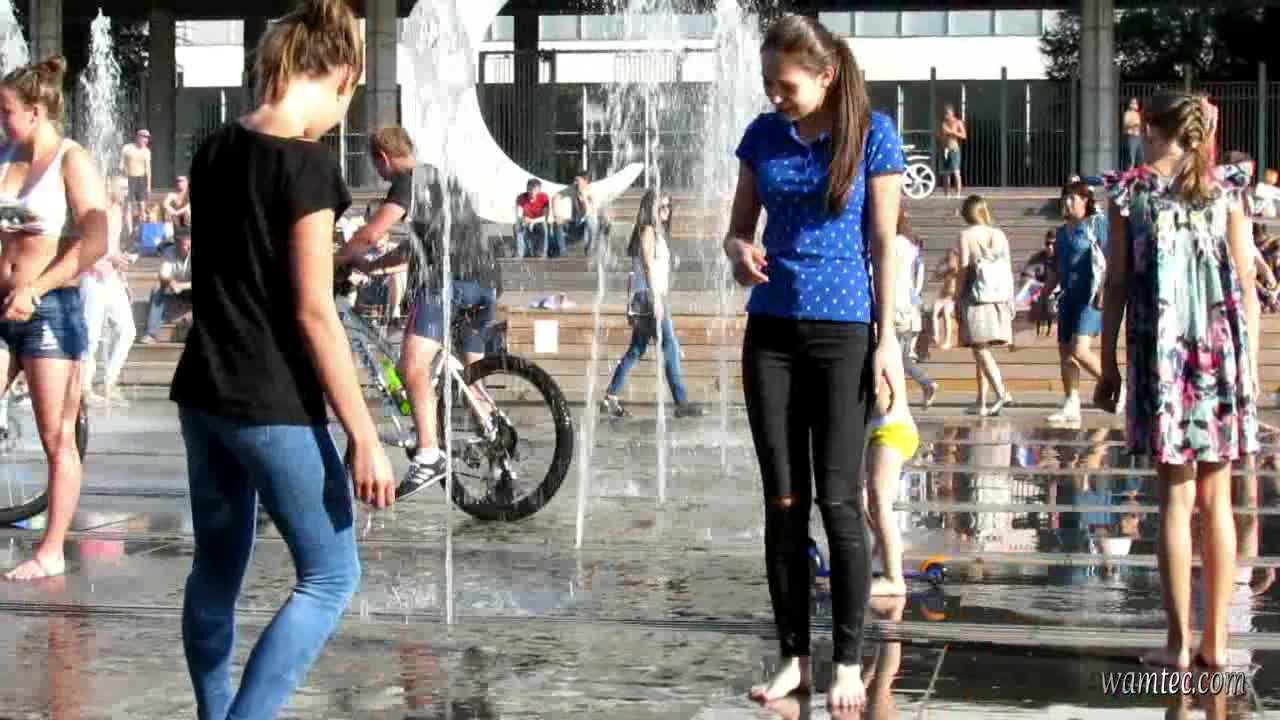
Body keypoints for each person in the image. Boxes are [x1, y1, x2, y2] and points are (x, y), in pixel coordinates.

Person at [169, 2, 395, 717]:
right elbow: (313, 311)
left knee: (216, 567)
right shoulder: (305, 165)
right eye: (349, 98)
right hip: (271, 403)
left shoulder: (214, 148)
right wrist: (365, 435)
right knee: (330, 576)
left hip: (203, 391)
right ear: (342, 76)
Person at [724, 14, 906, 711]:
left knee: (838, 500)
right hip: (770, 334)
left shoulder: (872, 134)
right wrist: (739, 252)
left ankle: (850, 662)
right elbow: (738, 231)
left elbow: (884, 243)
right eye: (767, 83)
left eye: (787, 85)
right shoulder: (762, 135)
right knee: (783, 501)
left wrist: (887, 339)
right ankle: (793, 657)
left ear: (825, 75)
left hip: (844, 334)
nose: (775, 96)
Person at [1096, 91, 1258, 671]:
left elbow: (1116, 282)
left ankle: (1177, 644)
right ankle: (1217, 643)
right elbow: (1244, 280)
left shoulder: (1130, 192)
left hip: (1162, 358)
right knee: (1218, 503)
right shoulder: (1226, 188)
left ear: (1152, 129)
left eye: (1141, 128)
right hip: (1219, 357)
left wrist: (1108, 363)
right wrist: (1249, 366)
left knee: (1175, 501)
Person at [339, 124, 503, 500]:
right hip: (485, 281)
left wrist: (335, 259)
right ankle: (497, 445)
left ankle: (429, 455)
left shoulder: (406, 181)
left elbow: (371, 233)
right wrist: (373, 267)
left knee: (411, 365)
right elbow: (417, 249)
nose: (380, 174)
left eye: (377, 166)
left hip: (448, 283)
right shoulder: (440, 181)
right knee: (471, 379)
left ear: (383, 158)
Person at [0, 56, 108, 580]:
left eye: (7, 111)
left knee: (56, 437)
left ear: (36, 111)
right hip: (2, 307)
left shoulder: (72, 159)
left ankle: (51, 550)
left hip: (49, 310)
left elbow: (97, 238)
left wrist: (36, 287)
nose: (1, 120)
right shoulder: (4, 156)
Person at [600, 190, 703, 419]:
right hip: (651, 297)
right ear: (651, 209)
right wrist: (655, 298)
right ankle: (681, 403)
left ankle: (610, 396)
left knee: (637, 349)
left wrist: (631, 304)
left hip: (645, 297)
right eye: (661, 207)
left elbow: (633, 273)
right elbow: (646, 265)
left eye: (668, 206)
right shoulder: (648, 231)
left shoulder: (653, 232)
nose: (666, 211)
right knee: (670, 346)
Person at [1040, 181, 1107, 424]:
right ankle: (1071, 403)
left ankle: (1114, 387)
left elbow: (1110, 259)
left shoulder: (1097, 224)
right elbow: (1057, 270)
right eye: (1064, 198)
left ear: (1085, 201)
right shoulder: (1061, 233)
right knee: (1066, 354)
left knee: (1080, 350)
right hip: (1068, 297)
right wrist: (1043, 297)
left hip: (1091, 296)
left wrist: (1104, 290)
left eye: (1072, 198)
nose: (1066, 202)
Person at [80, 175, 137, 405]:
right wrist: (110, 255)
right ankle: (84, 388)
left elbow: (113, 246)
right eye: (122, 187)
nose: (126, 191)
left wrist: (124, 278)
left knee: (128, 330)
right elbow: (86, 243)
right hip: (92, 276)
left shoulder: (118, 211)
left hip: (112, 278)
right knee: (91, 335)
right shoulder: (97, 209)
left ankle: (108, 383)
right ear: (109, 185)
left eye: (127, 187)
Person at [956, 194, 1014, 416]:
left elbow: (964, 268)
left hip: (976, 296)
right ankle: (982, 400)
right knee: (982, 349)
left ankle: (1000, 391)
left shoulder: (966, 235)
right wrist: (1010, 298)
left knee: (979, 348)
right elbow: (1007, 266)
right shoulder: (999, 234)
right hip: (998, 295)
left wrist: (957, 296)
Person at [892, 208, 937, 407]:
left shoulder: (891, 245)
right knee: (901, 358)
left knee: (893, 357)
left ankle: (895, 401)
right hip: (909, 308)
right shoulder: (910, 248)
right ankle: (925, 383)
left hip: (892, 305)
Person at [138, 227, 191, 344]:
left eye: (189, 245)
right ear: (176, 243)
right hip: (174, 289)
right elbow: (163, 274)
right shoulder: (169, 252)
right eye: (184, 245)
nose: (187, 248)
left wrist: (181, 286)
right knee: (157, 289)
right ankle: (151, 334)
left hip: (187, 289)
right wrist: (171, 282)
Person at [930, 248, 960, 350]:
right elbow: (934, 277)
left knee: (946, 314)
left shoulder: (957, 270)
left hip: (952, 297)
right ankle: (936, 337)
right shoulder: (947, 270)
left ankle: (948, 341)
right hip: (942, 296)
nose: (950, 259)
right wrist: (940, 264)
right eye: (948, 257)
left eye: (951, 257)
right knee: (934, 313)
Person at [120, 128, 151, 225]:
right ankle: (126, 229)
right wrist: (122, 180)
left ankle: (143, 228)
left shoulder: (146, 151)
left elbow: (148, 170)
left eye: (147, 138)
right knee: (127, 206)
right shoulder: (127, 148)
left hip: (141, 179)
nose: (146, 140)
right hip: (128, 179)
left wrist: (148, 185)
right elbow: (121, 165)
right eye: (144, 137)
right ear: (138, 137)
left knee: (142, 205)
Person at [514, 178, 550, 258]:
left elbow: (545, 217)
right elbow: (519, 215)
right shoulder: (521, 197)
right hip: (526, 221)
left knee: (544, 226)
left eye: (535, 190)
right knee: (518, 226)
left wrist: (533, 221)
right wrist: (523, 220)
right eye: (530, 190)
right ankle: (520, 252)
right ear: (527, 189)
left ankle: (542, 252)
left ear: (539, 190)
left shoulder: (544, 197)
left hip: (538, 221)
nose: (533, 193)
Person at [938, 105, 966, 197]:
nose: (946, 116)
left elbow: (964, 135)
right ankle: (947, 194)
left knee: (956, 172)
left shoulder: (958, 122)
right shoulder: (943, 123)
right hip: (945, 150)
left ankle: (958, 194)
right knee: (946, 173)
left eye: (948, 114)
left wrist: (952, 132)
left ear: (952, 113)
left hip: (954, 149)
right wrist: (942, 135)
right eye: (945, 114)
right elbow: (939, 136)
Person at [1122, 98, 1144, 171]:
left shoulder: (1137, 114)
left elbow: (1141, 124)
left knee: (1140, 157)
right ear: (1129, 104)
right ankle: (1128, 172)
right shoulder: (1127, 113)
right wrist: (1135, 124)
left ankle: (1140, 172)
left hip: (1138, 136)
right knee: (1131, 157)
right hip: (1131, 136)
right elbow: (1126, 123)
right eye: (1132, 103)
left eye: (1136, 103)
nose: (1135, 105)